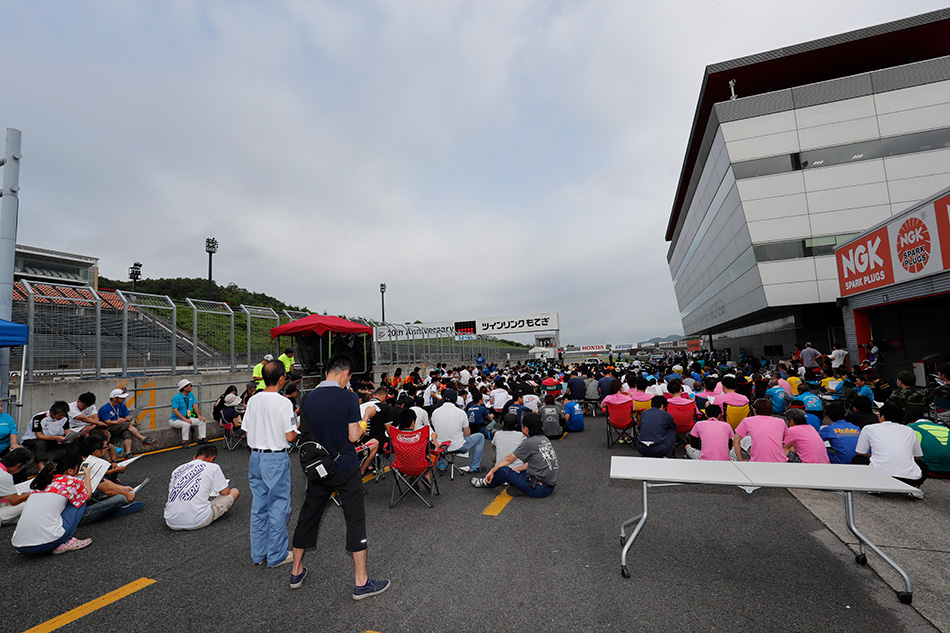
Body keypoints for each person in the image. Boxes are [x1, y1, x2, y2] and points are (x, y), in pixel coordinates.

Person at [289, 353, 390, 598]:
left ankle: (296, 571)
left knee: (308, 515)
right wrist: (366, 417)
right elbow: (354, 435)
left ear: (327, 372)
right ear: (345, 373)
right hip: (344, 466)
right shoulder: (348, 397)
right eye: (348, 378)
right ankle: (361, 582)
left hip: (317, 467)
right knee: (355, 519)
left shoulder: (308, 397)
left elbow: (303, 431)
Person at [243, 360, 298, 568]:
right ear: (282, 378)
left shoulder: (253, 400)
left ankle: (258, 554)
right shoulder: (284, 403)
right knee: (279, 506)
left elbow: (246, 431)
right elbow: (291, 436)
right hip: (275, 458)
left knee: (259, 506)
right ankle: (276, 554)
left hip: (255, 456)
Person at [11, 452, 92, 555]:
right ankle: (66, 541)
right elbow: (87, 496)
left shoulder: (43, 480)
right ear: (70, 470)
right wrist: (87, 475)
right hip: (44, 544)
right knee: (80, 501)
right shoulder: (72, 481)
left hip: (19, 545)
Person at [471, 413, 558, 498]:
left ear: (526, 429)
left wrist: (492, 471)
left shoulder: (530, 442)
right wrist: (514, 470)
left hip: (537, 488)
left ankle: (486, 482)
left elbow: (509, 459)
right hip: (549, 487)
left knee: (503, 471)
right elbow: (532, 464)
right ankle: (520, 485)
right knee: (517, 470)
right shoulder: (544, 439)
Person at [854, 403, 926, 497]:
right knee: (923, 465)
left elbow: (860, 452)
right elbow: (917, 457)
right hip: (909, 479)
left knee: (857, 459)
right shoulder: (909, 430)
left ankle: (873, 486)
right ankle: (914, 487)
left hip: (879, 476)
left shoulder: (869, 428)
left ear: (882, 417)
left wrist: (872, 456)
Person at [165, 444, 240, 530]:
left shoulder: (177, 470)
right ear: (212, 458)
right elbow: (225, 492)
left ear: (194, 457)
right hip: (197, 520)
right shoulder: (213, 467)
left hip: (171, 521)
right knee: (234, 491)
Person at [78, 432, 144, 525]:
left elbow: (102, 481)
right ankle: (113, 509)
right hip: (80, 514)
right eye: (105, 447)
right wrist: (126, 495)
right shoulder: (88, 465)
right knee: (120, 498)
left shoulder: (82, 459)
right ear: (97, 451)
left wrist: (122, 488)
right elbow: (108, 490)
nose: (107, 449)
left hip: (78, 505)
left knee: (116, 493)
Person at [431, 389, 484, 473]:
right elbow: (467, 432)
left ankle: (442, 464)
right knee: (480, 437)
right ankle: (474, 466)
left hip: (440, 447)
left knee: (441, 436)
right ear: (456, 400)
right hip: (458, 446)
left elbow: (437, 429)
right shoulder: (461, 412)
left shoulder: (435, 412)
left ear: (443, 399)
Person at [98, 388, 156, 458]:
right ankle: (142, 439)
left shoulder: (122, 405)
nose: (124, 399)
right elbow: (108, 422)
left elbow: (127, 417)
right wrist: (121, 421)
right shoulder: (104, 408)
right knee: (127, 425)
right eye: (121, 398)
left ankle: (128, 452)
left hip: (120, 426)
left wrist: (127, 419)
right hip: (109, 428)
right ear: (114, 399)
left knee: (127, 431)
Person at [21, 402, 71, 470]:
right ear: (52, 413)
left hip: (52, 439)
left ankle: (72, 465)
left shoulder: (65, 417)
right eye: (60, 415)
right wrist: (55, 438)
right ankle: (41, 469)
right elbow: (39, 436)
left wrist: (71, 436)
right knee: (40, 444)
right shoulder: (38, 417)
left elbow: (67, 430)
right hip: (33, 439)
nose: (62, 417)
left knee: (72, 442)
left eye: (64, 415)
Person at [0, 448, 34, 525]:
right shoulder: (4, 476)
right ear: (18, 466)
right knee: (31, 500)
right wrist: (33, 493)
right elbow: (14, 501)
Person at [170, 379, 208, 447]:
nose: (191, 387)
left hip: (187, 418)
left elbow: (195, 405)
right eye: (190, 386)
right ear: (184, 388)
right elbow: (175, 411)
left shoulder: (190, 395)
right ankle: (184, 442)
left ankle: (201, 438)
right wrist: (184, 419)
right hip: (176, 420)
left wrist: (199, 416)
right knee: (186, 424)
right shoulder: (176, 397)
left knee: (202, 421)